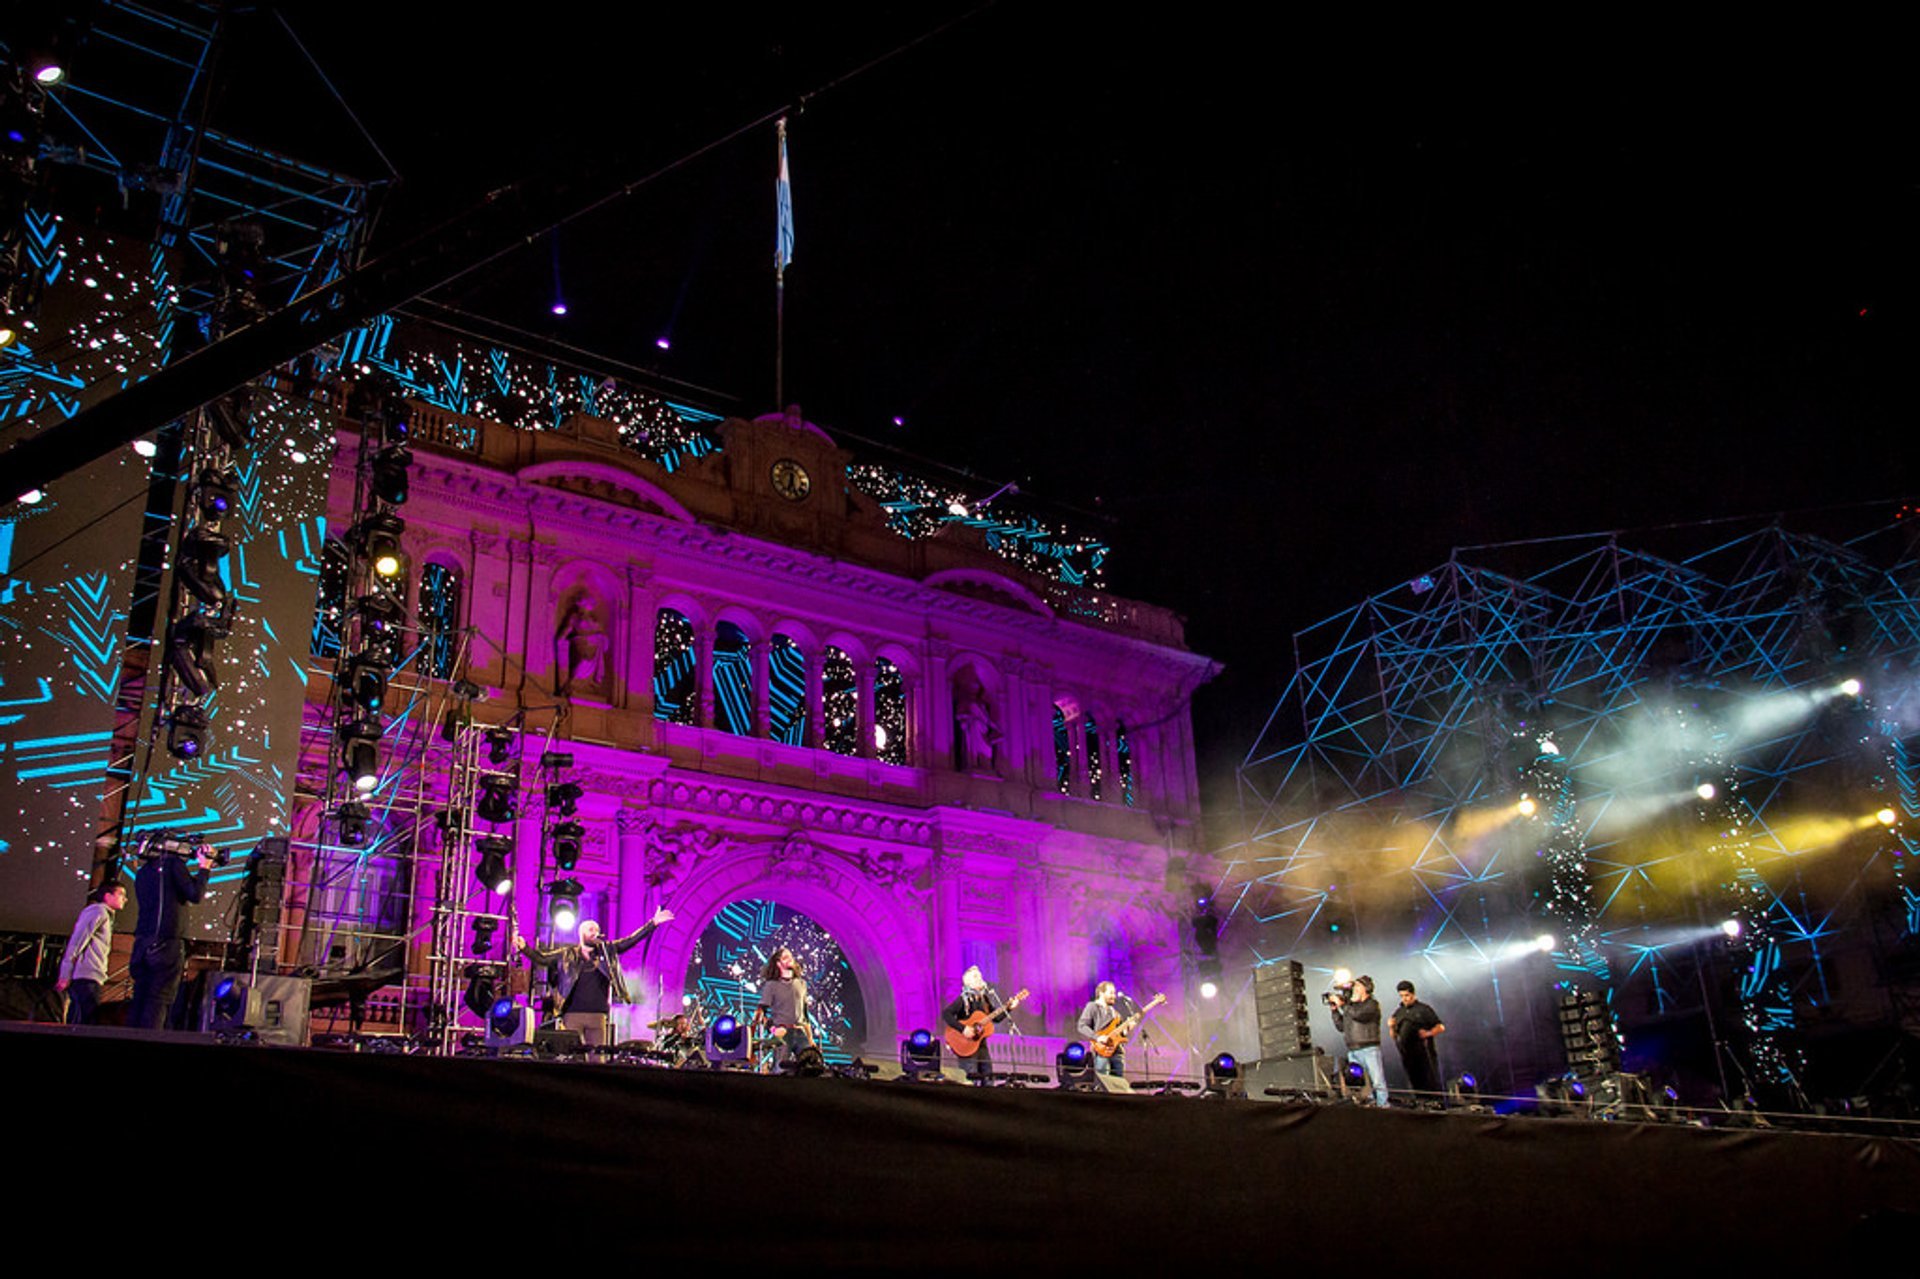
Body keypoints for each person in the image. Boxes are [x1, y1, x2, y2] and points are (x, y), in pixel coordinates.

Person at [513, 906, 674, 1047]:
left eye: (597, 930)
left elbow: (630, 941)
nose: (595, 933)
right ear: (581, 933)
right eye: (591, 930)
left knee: (597, 1059)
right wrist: (524, 947)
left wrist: (653, 923)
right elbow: (542, 959)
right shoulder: (567, 954)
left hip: (597, 1014)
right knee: (571, 1057)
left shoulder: (606, 950)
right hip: (572, 1014)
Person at [128, 839, 215, 1030]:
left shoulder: (143, 872)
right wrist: (204, 867)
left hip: (143, 943)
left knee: (140, 998)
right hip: (167, 942)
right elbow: (195, 894)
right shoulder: (173, 865)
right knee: (159, 999)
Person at [57, 881, 129, 1025]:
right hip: (86, 977)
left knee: (85, 1019)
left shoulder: (105, 916)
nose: (125, 899)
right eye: (121, 894)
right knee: (85, 1021)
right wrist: (65, 973)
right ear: (108, 896)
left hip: (92, 977)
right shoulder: (97, 911)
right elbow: (77, 942)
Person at [940, 965, 1014, 1083]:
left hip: (981, 1044)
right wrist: (963, 1029)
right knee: (970, 1079)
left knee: (988, 1076)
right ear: (969, 983)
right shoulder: (963, 999)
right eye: (976, 977)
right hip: (965, 1044)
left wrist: (1009, 1008)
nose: (980, 979)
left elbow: (996, 1018)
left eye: (980, 976)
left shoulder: (984, 999)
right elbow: (946, 1014)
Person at [1328, 974, 1388, 1106]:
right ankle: (1369, 1103)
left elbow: (1358, 1015)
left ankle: (1383, 1105)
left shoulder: (1372, 1004)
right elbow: (1341, 1027)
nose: (1354, 989)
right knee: (1360, 1082)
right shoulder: (1351, 1008)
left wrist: (1343, 1005)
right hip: (1353, 1049)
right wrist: (1335, 1011)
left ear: (1365, 989)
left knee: (1377, 1080)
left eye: (1357, 986)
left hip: (1369, 1048)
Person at [1388, 980, 1446, 1100]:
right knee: (1414, 1081)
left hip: (1424, 1052)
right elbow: (1394, 1036)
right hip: (1407, 1053)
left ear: (1413, 994)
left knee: (1430, 1080)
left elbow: (1440, 1026)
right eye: (1402, 996)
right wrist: (1392, 1027)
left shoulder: (1423, 1009)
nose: (1405, 999)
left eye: (1407, 995)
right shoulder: (1399, 1012)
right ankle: (1420, 1103)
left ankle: (1436, 1104)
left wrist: (1428, 1033)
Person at [756, 946, 811, 1065]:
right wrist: (773, 1029)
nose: (790, 959)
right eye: (785, 957)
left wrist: (810, 1039)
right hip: (783, 1032)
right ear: (778, 963)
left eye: (791, 956)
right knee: (781, 1068)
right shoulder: (771, 985)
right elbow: (761, 1013)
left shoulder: (801, 984)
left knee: (809, 1065)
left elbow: (805, 1014)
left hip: (800, 1031)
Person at [1077, 981, 1130, 1078]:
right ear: (1101, 993)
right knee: (1104, 1081)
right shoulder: (1092, 1007)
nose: (1114, 996)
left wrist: (1126, 1030)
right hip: (1102, 1051)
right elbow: (1082, 1026)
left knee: (1119, 1083)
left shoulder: (1115, 1012)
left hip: (1117, 1051)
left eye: (1114, 993)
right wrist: (1098, 1037)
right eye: (1111, 993)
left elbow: (1121, 1034)